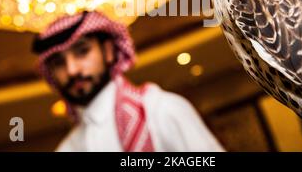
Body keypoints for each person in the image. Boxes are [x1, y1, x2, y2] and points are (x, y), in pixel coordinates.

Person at [31, 10, 224, 152]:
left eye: (82, 51)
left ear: (108, 51)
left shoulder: (161, 111)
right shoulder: (67, 149)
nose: (72, 70)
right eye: (58, 63)